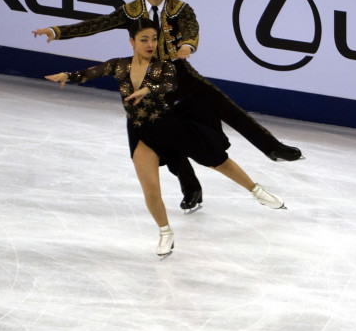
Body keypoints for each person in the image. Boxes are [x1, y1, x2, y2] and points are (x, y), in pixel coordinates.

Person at [33, 0, 302, 214]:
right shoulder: (131, 11)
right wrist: (57, 32)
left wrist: (187, 46)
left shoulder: (180, 9)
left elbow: (191, 28)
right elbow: (97, 24)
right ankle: (192, 189)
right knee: (167, 135)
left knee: (224, 105)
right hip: (149, 79)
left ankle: (272, 147)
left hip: (179, 73)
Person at [44, 18, 286, 259]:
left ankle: (257, 191)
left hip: (171, 126)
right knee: (151, 190)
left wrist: (146, 89)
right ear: (132, 42)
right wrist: (66, 75)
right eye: (144, 40)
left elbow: (167, 85)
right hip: (141, 133)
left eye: (154, 39)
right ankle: (165, 232)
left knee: (217, 160)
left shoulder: (165, 66)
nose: (150, 44)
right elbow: (89, 73)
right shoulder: (119, 65)